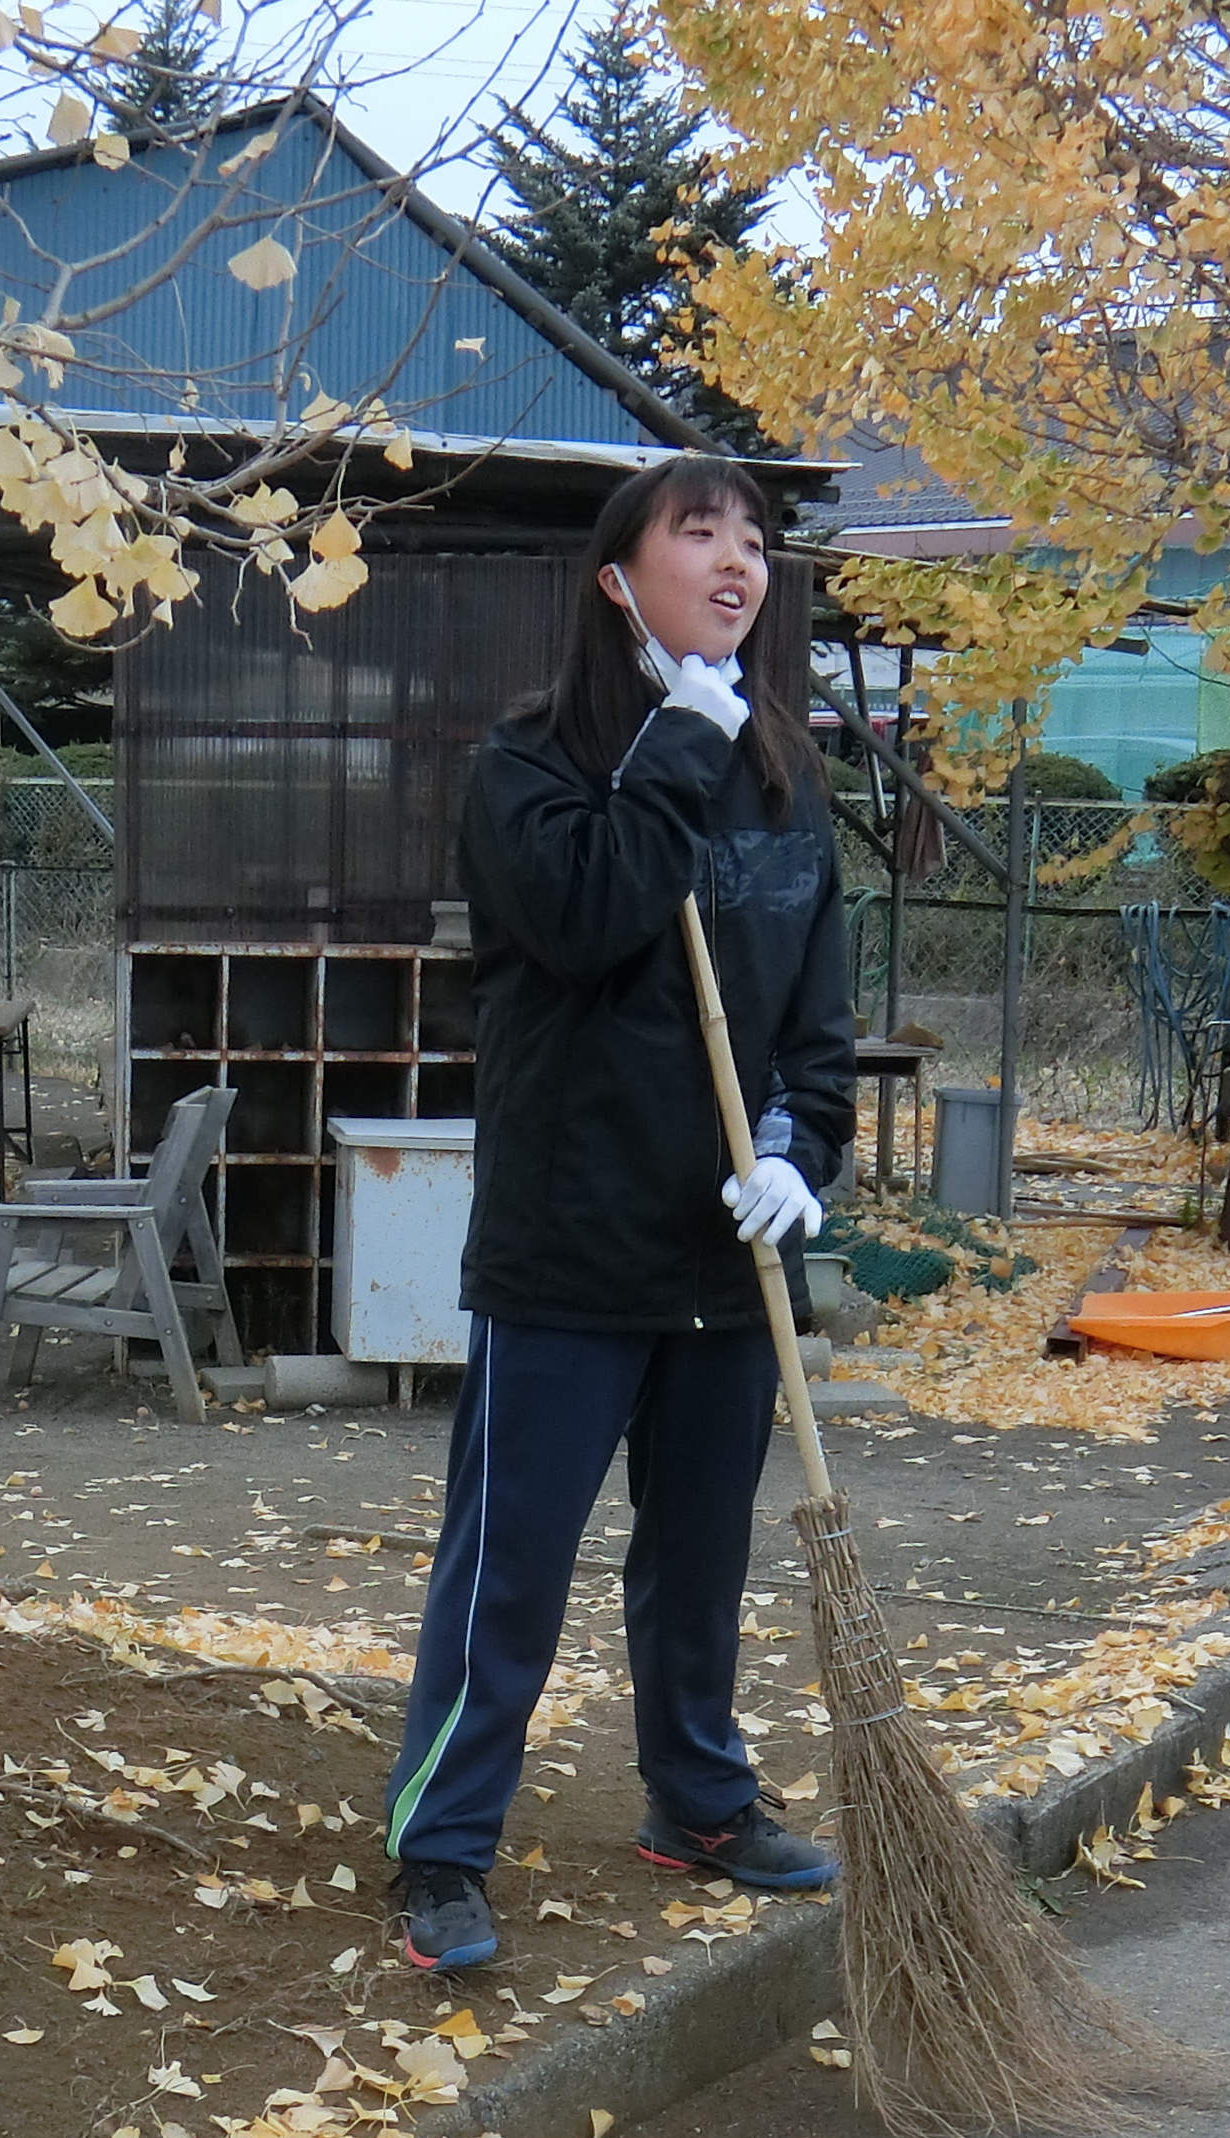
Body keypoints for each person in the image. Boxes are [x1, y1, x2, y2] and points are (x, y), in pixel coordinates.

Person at [379, 454, 856, 1975]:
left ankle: (699, 1802)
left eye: (756, 540)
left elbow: (817, 1018)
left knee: (700, 1552)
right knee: (510, 1561)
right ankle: (442, 1845)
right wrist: (671, 748)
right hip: (567, 1245)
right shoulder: (533, 765)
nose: (738, 561)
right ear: (617, 578)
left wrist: (806, 1152)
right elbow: (586, 920)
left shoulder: (785, 774)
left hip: (724, 1247)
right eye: (699, 532)